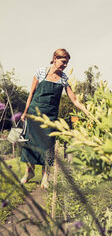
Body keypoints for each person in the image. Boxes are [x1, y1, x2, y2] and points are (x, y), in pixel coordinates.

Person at [20, 49, 88, 188]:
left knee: (48, 146)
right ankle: (29, 172)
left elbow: (74, 100)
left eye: (67, 63)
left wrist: (86, 111)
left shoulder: (64, 79)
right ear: (55, 58)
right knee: (30, 143)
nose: (65, 65)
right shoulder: (41, 72)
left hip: (50, 116)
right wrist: (25, 111)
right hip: (34, 112)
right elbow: (31, 94)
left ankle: (46, 177)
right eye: (63, 62)